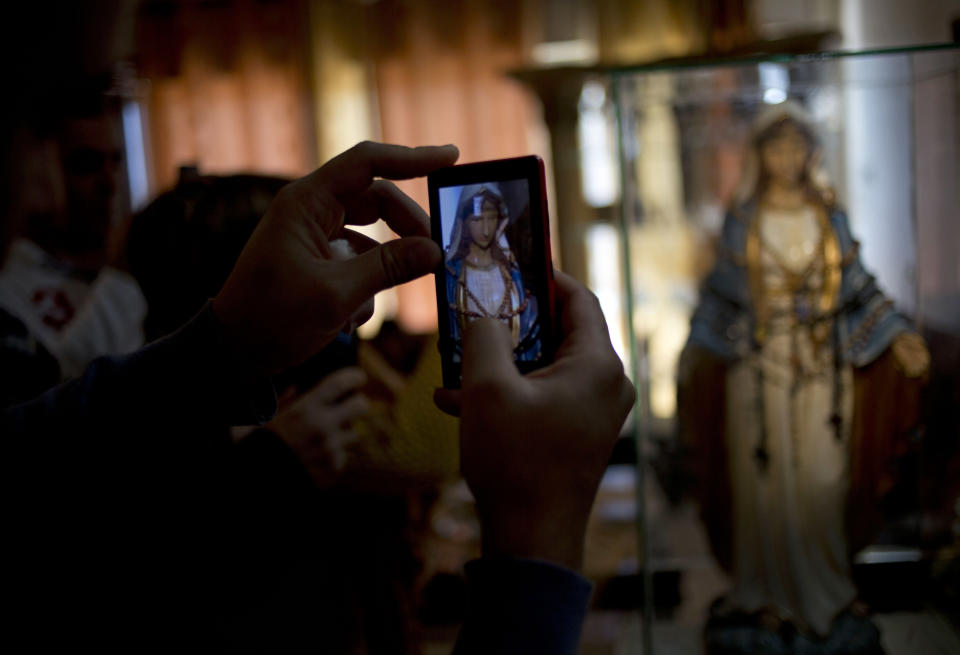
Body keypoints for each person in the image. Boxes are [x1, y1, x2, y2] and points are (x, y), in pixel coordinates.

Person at [3, 141, 635, 653]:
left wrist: (225, 353)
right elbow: (421, 448)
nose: (350, 301)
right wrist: (538, 546)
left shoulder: (219, 420)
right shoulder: (264, 450)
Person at [679, 102, 928, 653]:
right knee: (762, 487)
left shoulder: (828, 217)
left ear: (810, 152)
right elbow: (719, 297)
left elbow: (860, 289)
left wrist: (897, 335)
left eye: (796, 146)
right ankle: (761, 594)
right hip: (757, 370)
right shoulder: (743, 220)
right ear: (760, 155)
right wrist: (696, 350)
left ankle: (829, 592)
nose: (787, 157)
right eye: (776, 146)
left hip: (820, 370)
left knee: (822, 478)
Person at [0, 85, 147, 403]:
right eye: (86, 164)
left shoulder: (132, 267)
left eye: (115, 161)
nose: (110, 185)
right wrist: (124, 277)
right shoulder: (9, 284)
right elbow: (58, 401)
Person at [445, 183, 540, 362]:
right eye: (478, 219)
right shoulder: (451, 276)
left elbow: (528, 328)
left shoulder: (513, 274)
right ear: (463, 222)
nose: (486, 229)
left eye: (492, 217)